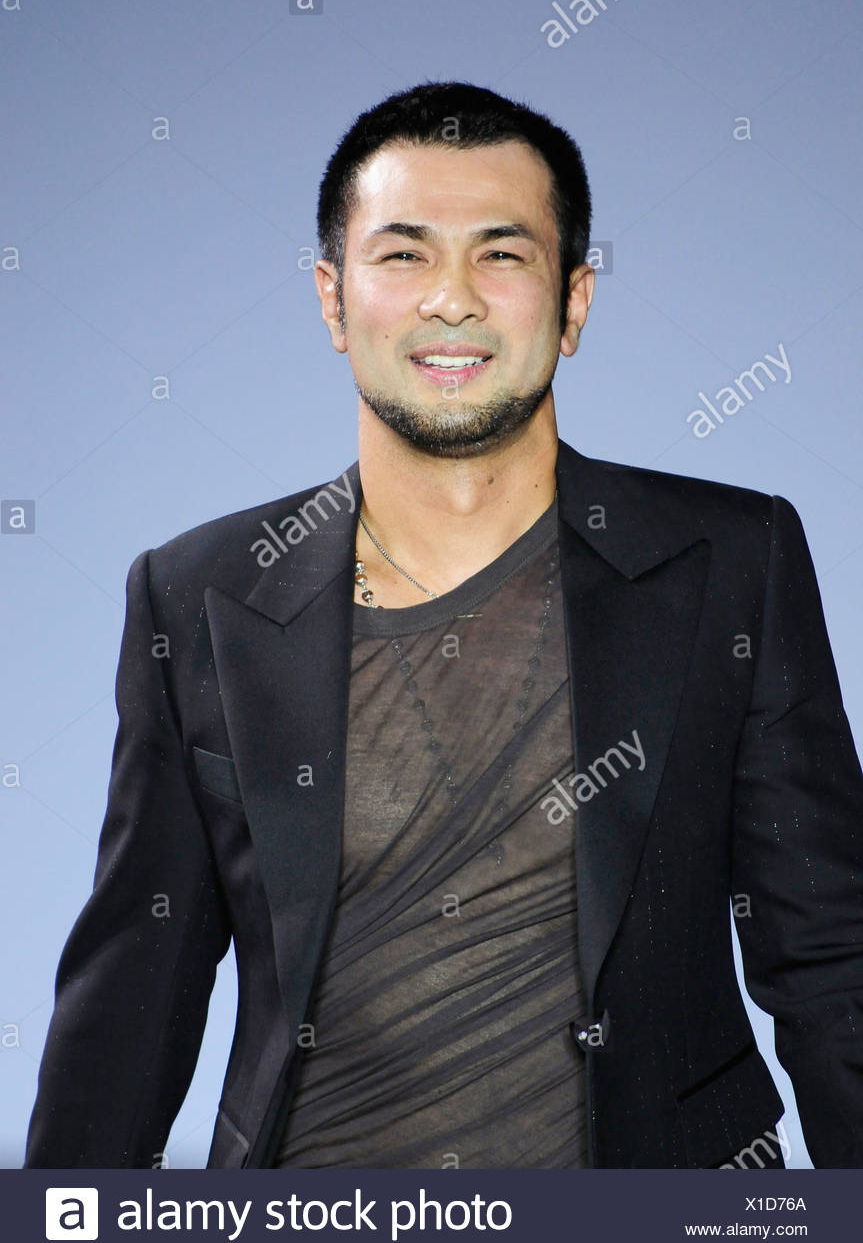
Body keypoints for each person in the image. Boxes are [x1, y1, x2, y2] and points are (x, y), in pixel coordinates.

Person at [24, 81, 863, 1170]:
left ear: (573, 300)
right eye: (403, 254)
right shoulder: (198, 596)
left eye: (501, 254)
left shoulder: (732, 559)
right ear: (332, 299)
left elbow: (829, 956)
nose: (452, 299)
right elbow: (133, 995)